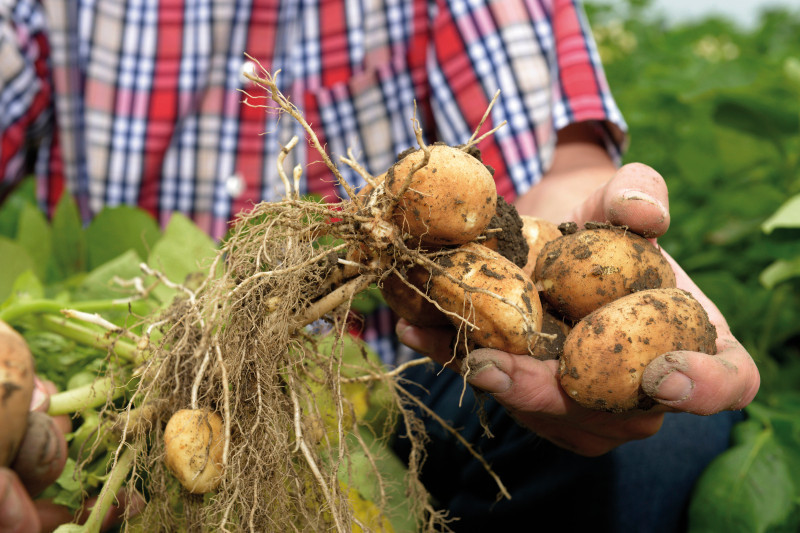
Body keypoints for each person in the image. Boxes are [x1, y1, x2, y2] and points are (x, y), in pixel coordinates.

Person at [0, 0, 759, 531]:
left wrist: (590, 239)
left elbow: (546, 184)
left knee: (654, 443)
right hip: (157, 366)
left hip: (401, 378)